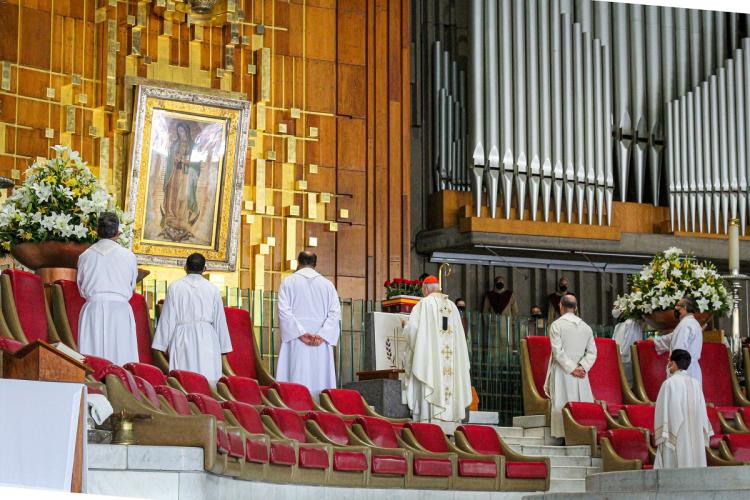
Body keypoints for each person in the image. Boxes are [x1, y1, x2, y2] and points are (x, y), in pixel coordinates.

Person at [152, 253, 232, 384]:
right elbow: (219, 320)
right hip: (208, 337)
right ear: (204, 269)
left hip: (182, 336)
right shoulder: (212, 289)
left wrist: (161, 344)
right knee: (208, 379)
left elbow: (168, 318)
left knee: (184, 380)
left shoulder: (175, 287)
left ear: (185, 267)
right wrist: (223, 347)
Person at [402, 275, 472, 423]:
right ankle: (451, 420)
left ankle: (430, 419)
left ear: (426, 289)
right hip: (451, 362)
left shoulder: (424, 304)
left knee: (430, 375)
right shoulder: (453, 307)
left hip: (432, 362)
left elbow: (413, 331)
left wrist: (405, 327)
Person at [77, 212, 139, 366]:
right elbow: (132, 286)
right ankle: (120, 388)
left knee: (92, 359)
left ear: (97, 231)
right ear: (118, 232)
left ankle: (92, 388)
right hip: (120, 312)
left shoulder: (85, 256)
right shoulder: (128, 256)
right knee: (121, 356)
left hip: (93, 310)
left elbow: (81, 287)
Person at [276, 251, 341, 397]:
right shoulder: (327, 285)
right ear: (315, 264)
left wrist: (300, 333)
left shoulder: (288, 282)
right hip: (320, 343)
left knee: (295, 375)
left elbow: (284, 311)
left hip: (296, 341)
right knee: (320, 379)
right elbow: (335, 313)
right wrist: (322, 335)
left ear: (298, 262)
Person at [544, 294, 597, 438]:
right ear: (576, 308)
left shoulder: (556, 325)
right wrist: (582, 367)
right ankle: (582, 435)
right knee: (581, 403)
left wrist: (572, 368)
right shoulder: (586, 328)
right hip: (581, 374)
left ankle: (562, 435)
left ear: (561, 306)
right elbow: (593, 353)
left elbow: (557, 352)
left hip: (563, 371)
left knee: (562, 402)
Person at [654, 349, 713, 469]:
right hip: (695, 432)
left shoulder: (669, 384)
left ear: (674, 364)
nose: (668, 365)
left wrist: (663, 433)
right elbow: (702, 413)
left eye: (669, 361)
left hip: (677, 434)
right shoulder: (696, 384)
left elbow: (663, 413)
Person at [650, 296, 703, 384]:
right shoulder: (692, 323)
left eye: (678, 305)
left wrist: (674, 366)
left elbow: (679, 349)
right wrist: (656, 341)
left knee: (681, 396)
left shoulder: (685, 324)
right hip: (691, 370)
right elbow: (672, 337)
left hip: (683, 370)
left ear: (684, 308)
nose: (675, 308)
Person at [612, 307, 643, 386]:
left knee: (629, 383)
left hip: (627, 358)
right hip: (618, 357)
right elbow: (614, 341)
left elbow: (629, 341)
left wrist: (620, 354)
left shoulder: (631, 323)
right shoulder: (618, 325)